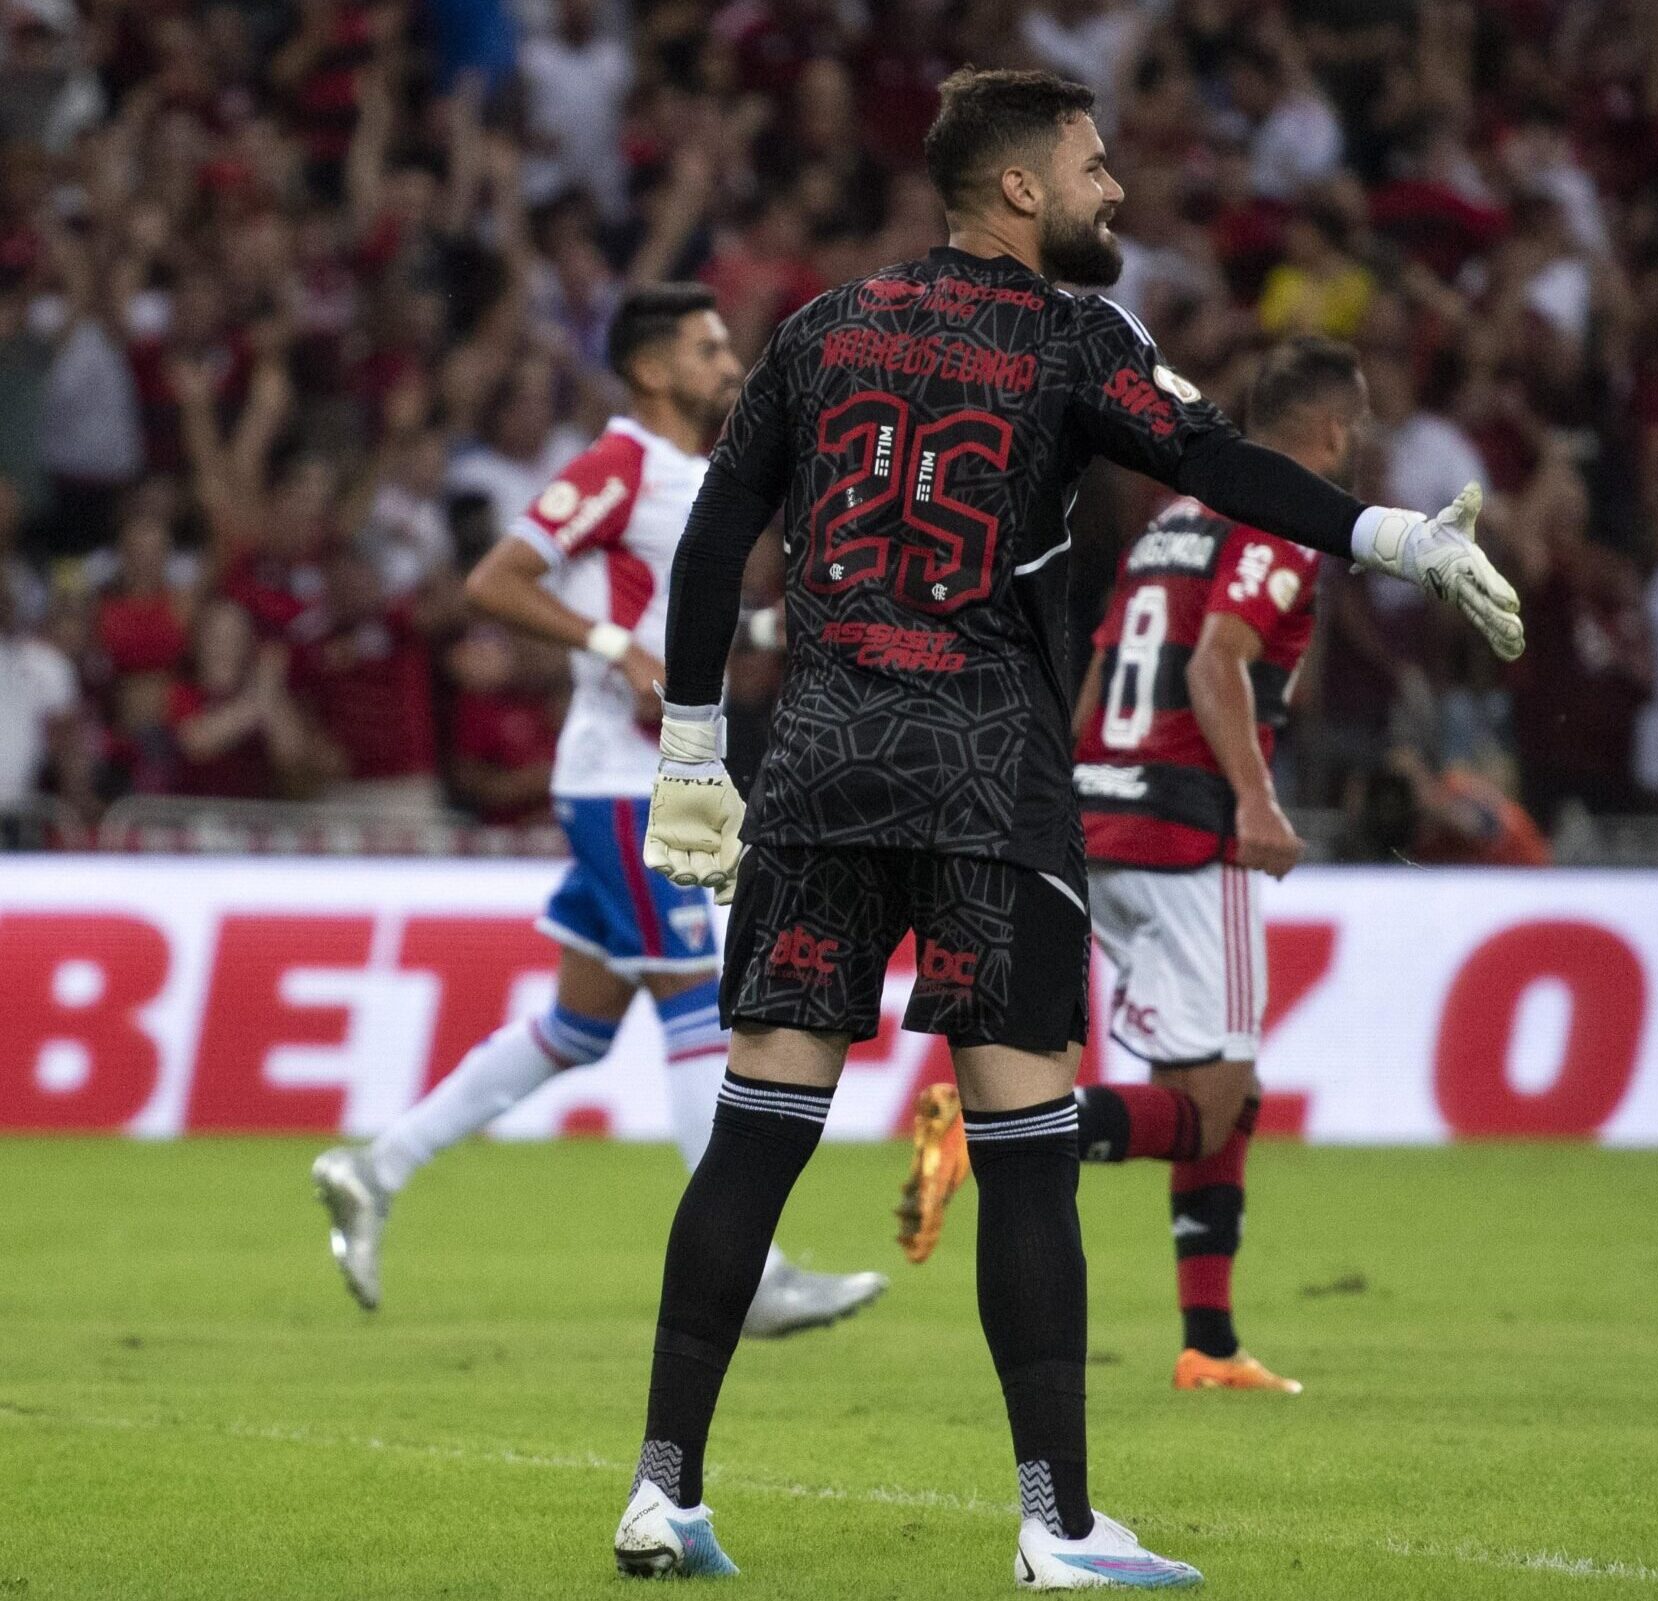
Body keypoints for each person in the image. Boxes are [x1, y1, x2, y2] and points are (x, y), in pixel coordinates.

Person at [615, 68, 1522, 1588]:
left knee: (756, 1138)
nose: (1117, 192)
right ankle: (1059, 1525)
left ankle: (660, 1490)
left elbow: (716, 536)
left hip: (822, 775)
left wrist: (694, 745)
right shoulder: (1071, 337)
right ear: (1022, 186)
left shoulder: (821, 327)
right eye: (1097, 168)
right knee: (1028, 1155)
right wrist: (1393, 536)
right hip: (991, 782)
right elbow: (1217, 458)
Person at [308, 285, 883, 1339]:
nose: (728, 360)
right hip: (625, 782)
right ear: (654, 368)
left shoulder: (692, 473)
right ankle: (747, 1274)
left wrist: (781, 625)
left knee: (578, 1025)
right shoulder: (620, 462)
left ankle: (373, 1167)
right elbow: (498, 577)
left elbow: (673, 625)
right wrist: (617, 651)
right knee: (699, 1004)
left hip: (665, 769)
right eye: (709, 346)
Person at [937, 333, 1367, 1399]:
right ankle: (998, 1130)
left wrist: (1070, 790)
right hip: (1190, 830)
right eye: (1353, 425)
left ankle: (1208, 1341)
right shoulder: (1283, 516)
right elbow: (1216, 657)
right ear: (1326, 429)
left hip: (1102, 816)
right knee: (1213, 1099)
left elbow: (1101, 661)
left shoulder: (1173, 521)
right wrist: (1258, 801)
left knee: (1225, 1084)